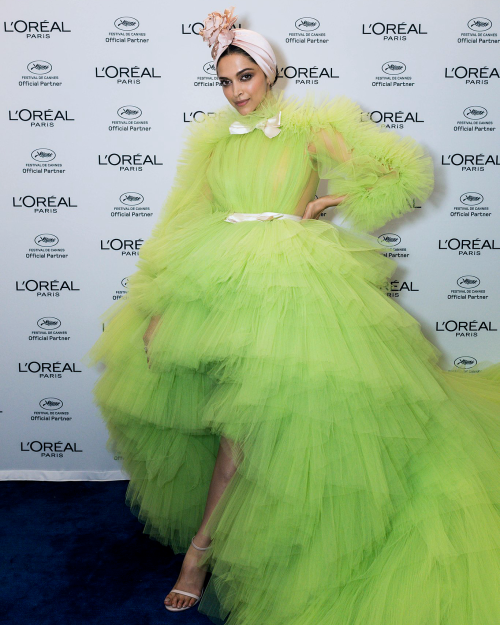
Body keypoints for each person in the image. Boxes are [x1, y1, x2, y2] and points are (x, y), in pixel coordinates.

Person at [84, 6, 500, 624]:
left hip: (295, 291)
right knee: (240, 424)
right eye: (224, 81)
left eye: (245, 77)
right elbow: (184, 227)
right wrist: (160, 308)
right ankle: (221, 541)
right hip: (219, 289)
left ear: (270, 73)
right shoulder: (213, 140)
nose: (236, 92)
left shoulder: (310, 126)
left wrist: (333, 196)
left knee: (246, 431)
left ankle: (199, 557)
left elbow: (398, 175)